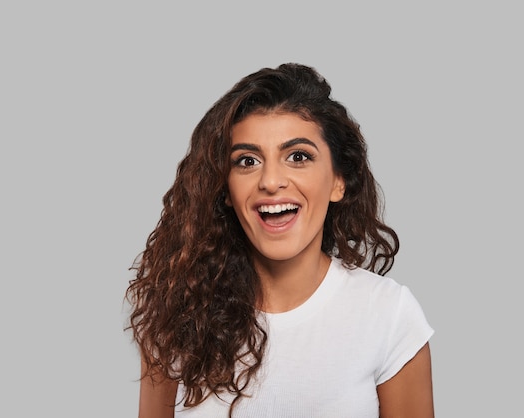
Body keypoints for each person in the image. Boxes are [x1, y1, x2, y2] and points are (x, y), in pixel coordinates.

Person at [125, 63, 435, 418]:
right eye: (247, 160)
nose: (271, 181)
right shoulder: (177, 316)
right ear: (225, 189)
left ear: (338, 181)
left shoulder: (389, 316)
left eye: (298, 157)